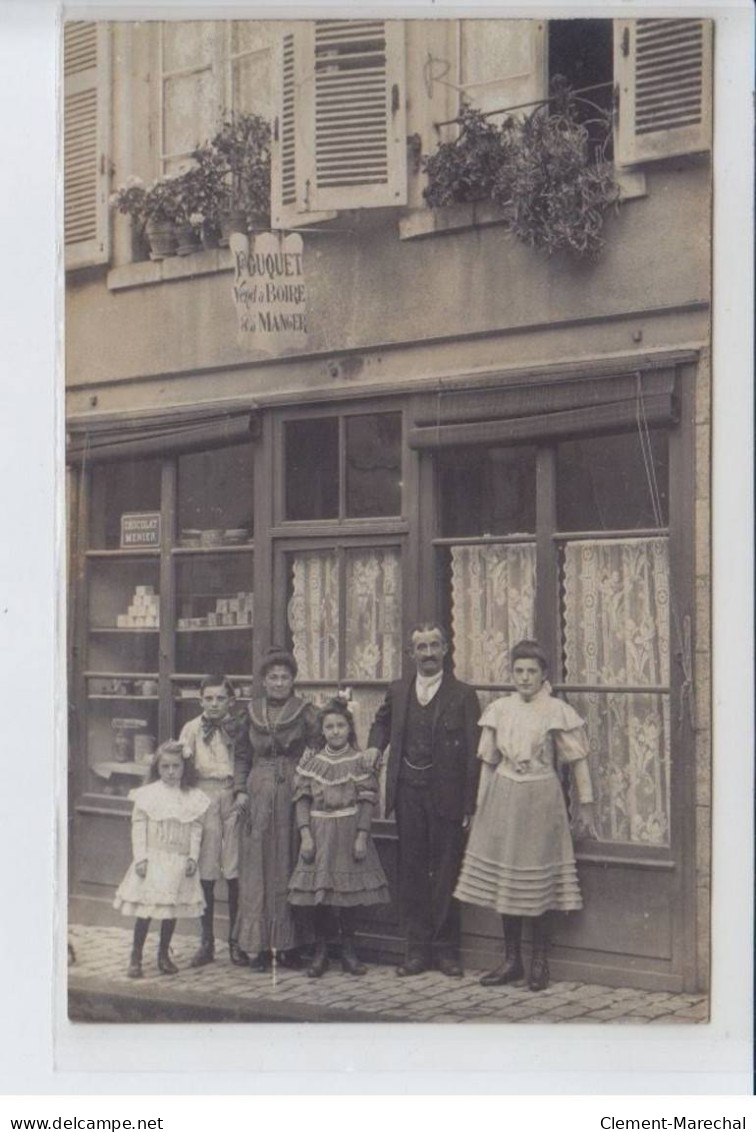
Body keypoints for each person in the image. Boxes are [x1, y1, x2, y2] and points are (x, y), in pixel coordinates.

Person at [454, 639, 598, 992]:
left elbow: (577, 760)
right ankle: (511, 960)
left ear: (544, 674)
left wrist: (587, 803)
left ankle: (539, 961)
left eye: (532, 671)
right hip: (504, 796)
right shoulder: (500, 709)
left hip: (540, 798)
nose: (525, 677)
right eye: (519, 671)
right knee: (507, 878)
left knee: (537, 881)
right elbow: (488, 763)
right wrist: (482, 807)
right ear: (512, 673)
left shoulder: (555, 709)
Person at [365, 623, 480, 977]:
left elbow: (474, 754)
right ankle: (416, 952)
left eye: (434, 646)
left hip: (446, 794)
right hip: (407, 792)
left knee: (447, 870)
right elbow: (381, 723)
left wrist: (469, 805)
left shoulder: (462, 694)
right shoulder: (398, 691)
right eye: (421, 648)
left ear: (445, 649)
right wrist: (374, 746)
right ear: (411, 653)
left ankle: (446, 952)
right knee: (412, 870)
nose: (428, 654)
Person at [288, 697, 390, 978]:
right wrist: (305, 836)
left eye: (340, 726)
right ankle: (321, 952)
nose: (335, 731)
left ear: (349, 729)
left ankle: (349, 951)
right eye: (329, 726)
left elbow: (367, 801)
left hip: (348, 833)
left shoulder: (358, 761)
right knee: (320, 898)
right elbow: (302, 800)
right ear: (322, 730)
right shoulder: (312, 763)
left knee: (348, 898)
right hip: (320, 834)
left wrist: (361, 836)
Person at [233, 646, 320, 971]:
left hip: (292, 794)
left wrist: (303, 776)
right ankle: (256, 946)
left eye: (285, 677)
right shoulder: (251, 712)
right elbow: (242, 754)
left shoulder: (306, 712)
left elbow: (316, 749)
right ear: (264, 681)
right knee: (257, 867)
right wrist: (241, 790)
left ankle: (290, 945)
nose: (279, 683)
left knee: (288, 862)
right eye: (273, 678)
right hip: (257, 793)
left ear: (292, 680)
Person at [113, 740, 209, 978]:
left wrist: (192, 858)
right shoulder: (149, 795)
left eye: (175, 766)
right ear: (157, 767)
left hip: (177, 860)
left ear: (184, 767)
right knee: (146, 910)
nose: (170, 772)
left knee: (170, 909)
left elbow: (196, 829)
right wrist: (141, 858)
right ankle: (135, 955)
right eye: (165, 767)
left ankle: (163, 954)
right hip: (154, 859)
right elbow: (138, 826)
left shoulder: (192, 797)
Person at [179, 675, 245, 968]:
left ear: (231, 701)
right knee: (206, 870)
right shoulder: (192, 729)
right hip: (203, 796)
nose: (214, 704)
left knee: (234, 868)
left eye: (220, 698)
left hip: (231, 795)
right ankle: (206, 942)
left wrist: (242, 793)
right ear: (200, 700)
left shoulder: (239, 727)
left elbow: (246, 761)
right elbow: (181, 766)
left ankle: (236, 941)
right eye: (209, 698)